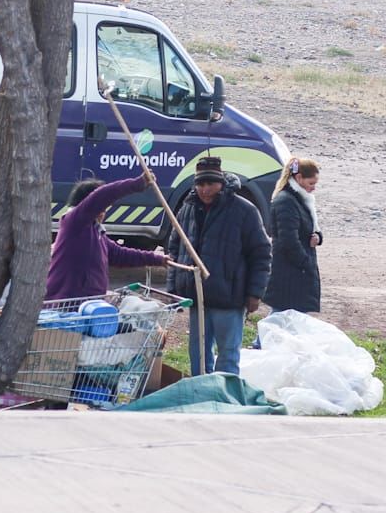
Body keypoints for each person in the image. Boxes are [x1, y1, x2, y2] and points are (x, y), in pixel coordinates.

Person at [166, 156, 271, 375]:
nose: (205, 189)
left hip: (230, 296)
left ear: (221, 183)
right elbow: (175, 249)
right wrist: (173, 288)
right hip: (197, 297)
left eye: (210, 184)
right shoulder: (187, 209)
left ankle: (225, 398)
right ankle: (200, 394)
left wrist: (255, 293)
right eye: (200, 184)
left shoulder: (245, 210)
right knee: (198, 353)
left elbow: (261, 253)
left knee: (228, 355)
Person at [45, 172, 169, 301]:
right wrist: (138, 183)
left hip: (91, 306)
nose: (103, 213)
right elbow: (103, 195)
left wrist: (157, 259)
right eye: (101, 208)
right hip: (67, 305)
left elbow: (120, 255)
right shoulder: (74, 222)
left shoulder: (97, 233)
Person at [263, 157, 323, 313]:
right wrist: (306, 263)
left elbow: (308, 228)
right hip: (290, 272)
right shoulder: (287, 202)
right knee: (281, 319)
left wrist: (318, 236)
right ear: (298, 178)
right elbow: (288, 240)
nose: (314, 188)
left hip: (293, 271)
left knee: (282, 318)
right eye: (311, 183)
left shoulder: (299, 199)